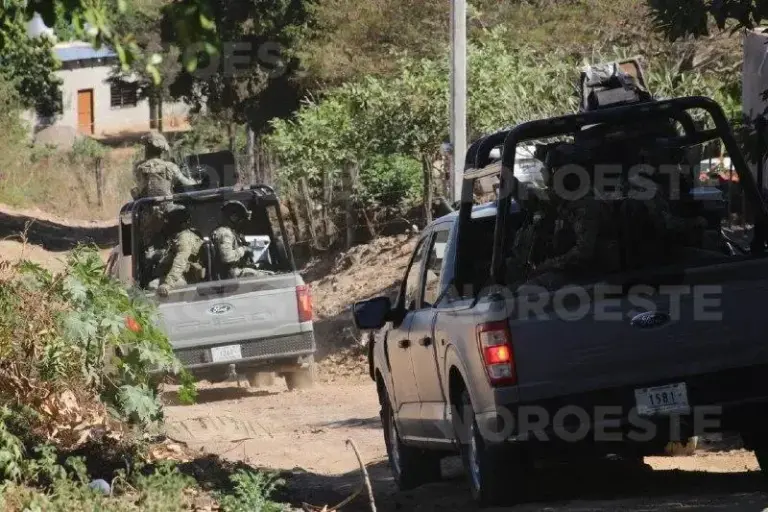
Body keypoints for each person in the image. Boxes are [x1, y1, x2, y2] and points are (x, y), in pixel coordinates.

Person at [147, 204, 204, 294]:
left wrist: (168, 284)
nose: (166, 223)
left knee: (153, 286)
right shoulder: (177, 236)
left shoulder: (185, 238)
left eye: (170, 220)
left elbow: (181, 261)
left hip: (186, 278)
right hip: (179, 275)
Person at [132, 132, 199, 199]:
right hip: (167, 204)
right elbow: (187, 183)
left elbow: (139, 185)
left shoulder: (138, 167)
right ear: (162, 150)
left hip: (145, 204)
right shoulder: (171, 166)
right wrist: (195, 181)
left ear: (146, 149)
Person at [211, 201, 262, 279]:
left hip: (235, 273)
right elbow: (227, 257)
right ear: (233, 217)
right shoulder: (225, 233)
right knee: (267, 276)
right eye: (240, 218)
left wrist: (253, 245)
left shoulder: (229, 232)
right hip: (233, 275)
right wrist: (244, 249)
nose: (241, 222)